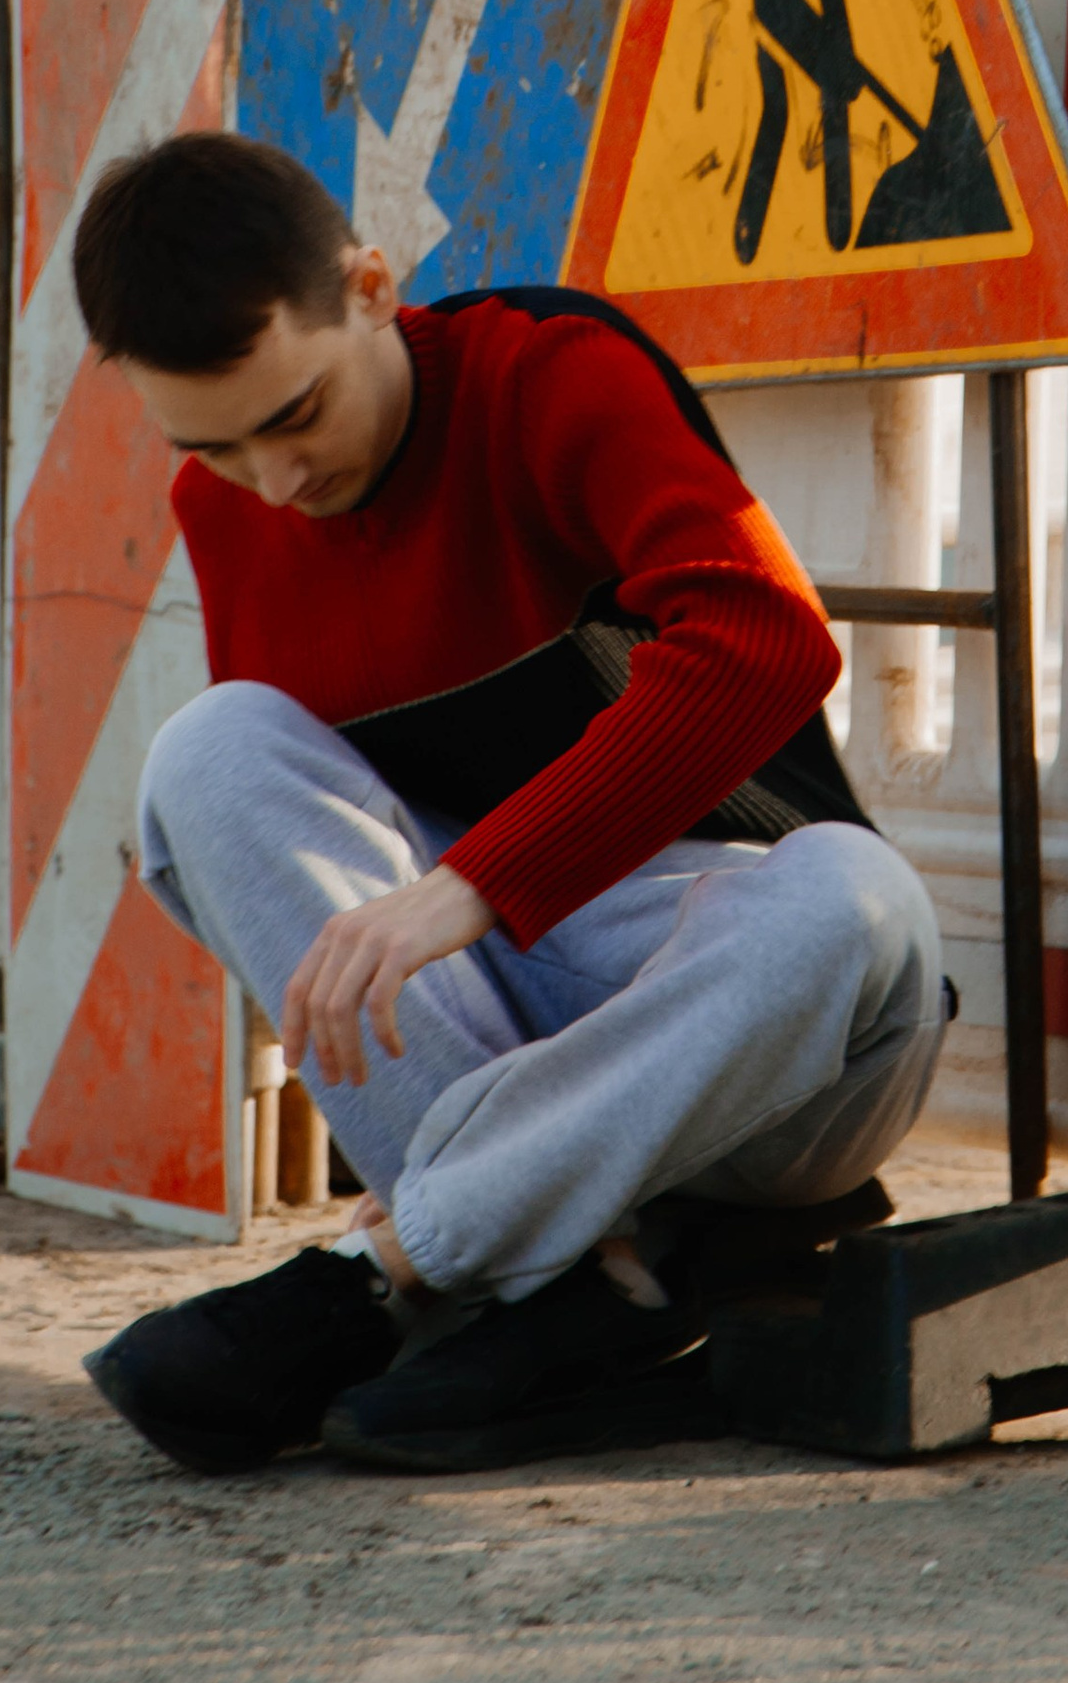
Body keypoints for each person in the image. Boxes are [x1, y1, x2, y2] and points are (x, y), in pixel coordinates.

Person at [71, 131, 945, 1477]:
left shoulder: (548, 373)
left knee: (852, 895)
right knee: (209, 752)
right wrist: (445, 924)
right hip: (501, 1024)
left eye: (296, 414)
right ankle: (593, 1274)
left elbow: (772, 640)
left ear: (371, 288)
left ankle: (402, 1265)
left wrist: (470, 884)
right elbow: (301, 859)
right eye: (217, 443)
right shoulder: (230, 505)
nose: (276, 482)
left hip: (763, 1044)